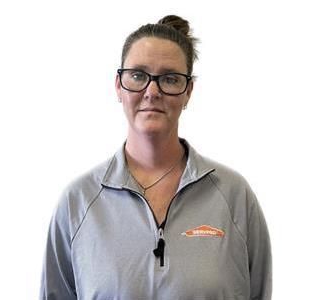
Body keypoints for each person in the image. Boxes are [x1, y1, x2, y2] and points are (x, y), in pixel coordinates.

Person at [40, 15, 272, 300]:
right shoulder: (77, 202)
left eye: (170, 79)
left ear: (188, 92)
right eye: (138, 75)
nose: (152, 91)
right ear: (118, 86)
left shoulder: (234, 196)